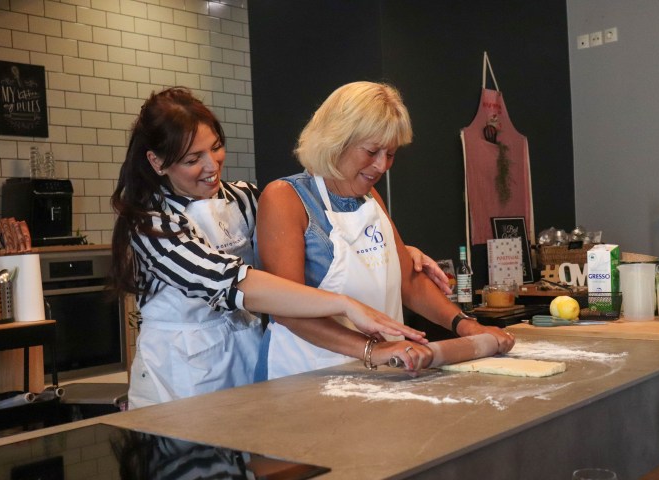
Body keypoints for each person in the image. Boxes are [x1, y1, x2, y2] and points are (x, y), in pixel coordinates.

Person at [110, 87, 429, 409]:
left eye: (216, 148)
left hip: (246, 355)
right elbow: (231, 281)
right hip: (180, 374)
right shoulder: (151, 224)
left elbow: (309, 235)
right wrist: (345, 305)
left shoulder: (245, 197)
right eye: (193, 159)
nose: (212, 166)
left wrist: (396, 251)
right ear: (157, 161)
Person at [254, 81, 516, 381]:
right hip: (305, 373)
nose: (381, 166)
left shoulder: (370, 198)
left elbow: (409, 282)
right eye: (372, 151)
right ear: (335, 140)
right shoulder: (285, 198)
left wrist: (466, 325)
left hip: (377, 369)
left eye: (390, 154)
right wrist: (373, 350)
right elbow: (286, 311)